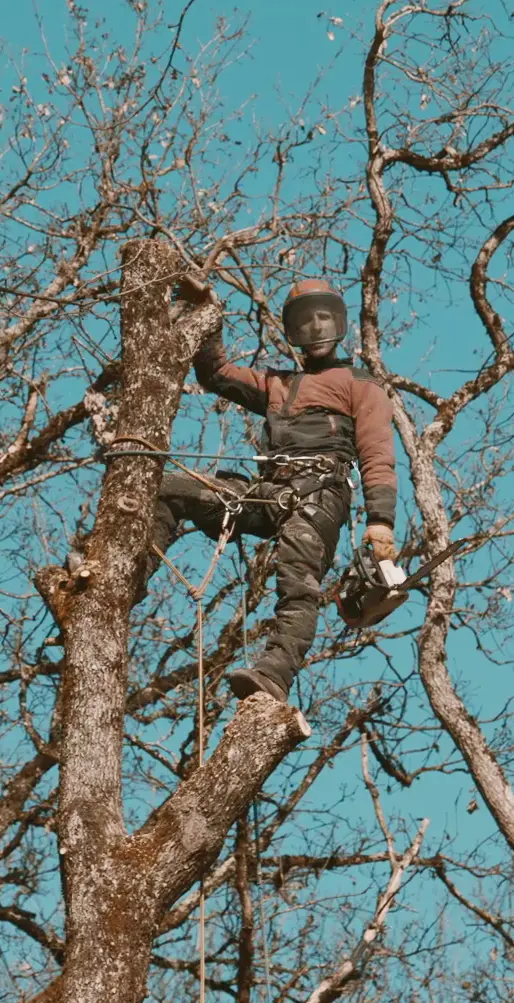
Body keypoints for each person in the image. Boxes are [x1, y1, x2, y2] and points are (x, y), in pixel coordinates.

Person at [141, 278, 397, 703]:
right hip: (268, 493)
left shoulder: (360, 383)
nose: (316, 327)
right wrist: (207, 313)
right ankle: (133, 571)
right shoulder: (279, 385)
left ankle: (274, 674)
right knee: (171, 488)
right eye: (306, 320)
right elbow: (216, 374)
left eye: (323, 317)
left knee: (297, 582)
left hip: (319, 496)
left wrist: (380, 521)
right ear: (294, 330)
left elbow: (377, 452)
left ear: (337, 323)